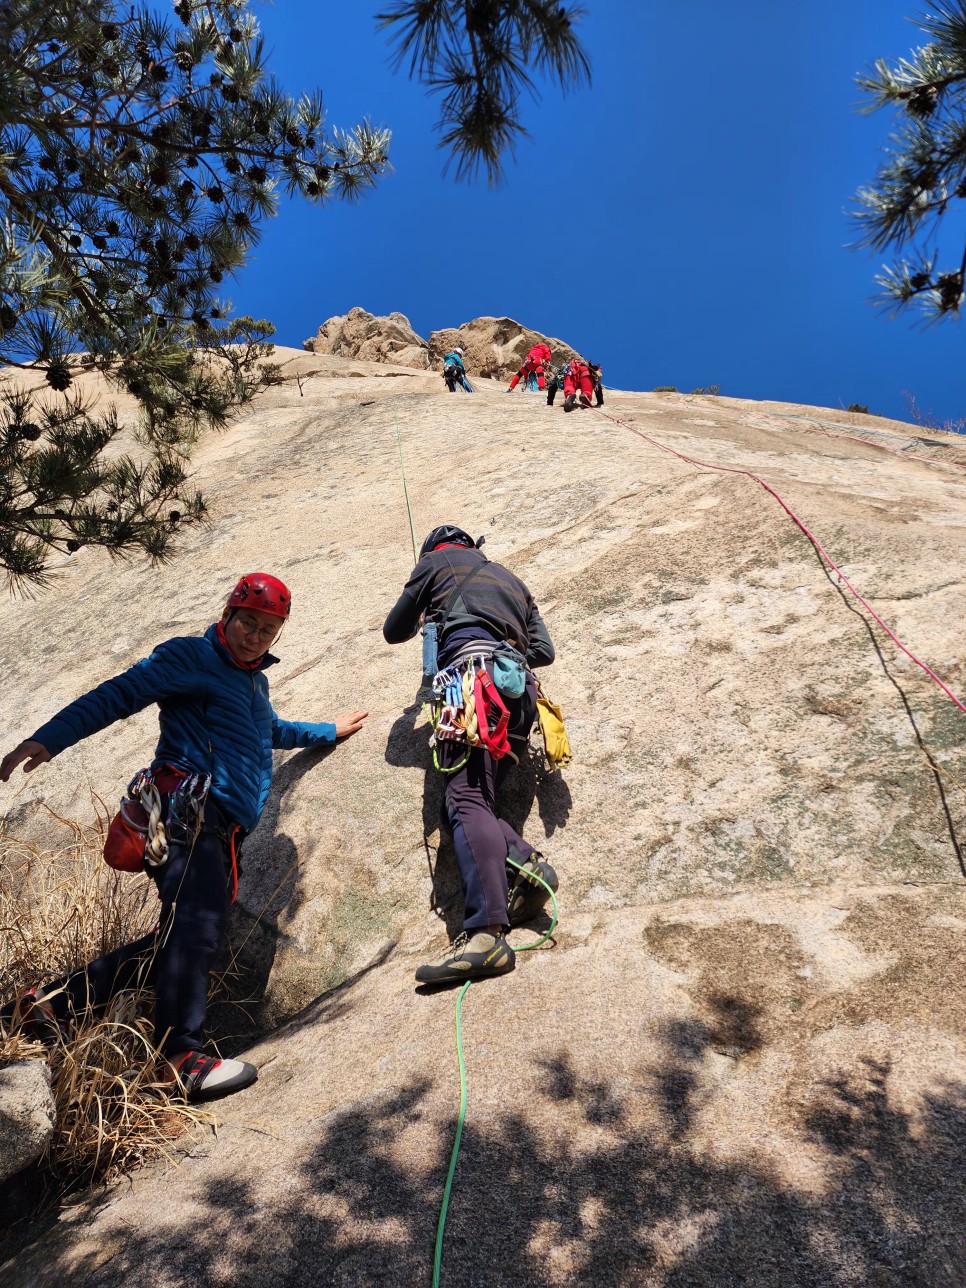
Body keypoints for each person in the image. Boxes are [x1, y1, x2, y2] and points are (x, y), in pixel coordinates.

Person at [0, 573, 368, 1101]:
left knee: (180, 939)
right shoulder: (192, 657)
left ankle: (47, 1005)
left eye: (268, 630)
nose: (255, 637)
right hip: (186, 814)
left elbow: (269, 731)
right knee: (195, 930)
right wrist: (48, 739)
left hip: (220, 829)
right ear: (228, 614)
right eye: (248, 623)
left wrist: (327, 731)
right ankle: (180, 1057)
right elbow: (119, 694)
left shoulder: (253, 682)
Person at [383, 526, 558, 985]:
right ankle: (526, 862)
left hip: (471, 689)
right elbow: (544, 651)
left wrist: (434, 619)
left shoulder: (434, 562)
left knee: (463, 802)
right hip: (518, 697)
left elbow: (392, 630)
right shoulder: (511, 579)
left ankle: (485, 934)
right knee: (470, 800)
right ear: (470, 546)